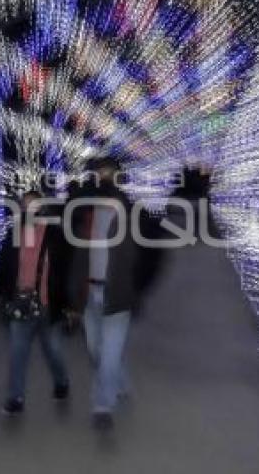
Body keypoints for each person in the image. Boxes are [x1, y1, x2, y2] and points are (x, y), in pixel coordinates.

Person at [67, 157, 146, 429]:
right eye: (100, 173)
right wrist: (72, 298)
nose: (103, 177)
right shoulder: (84, 222)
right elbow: (75, 261)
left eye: (108, 173)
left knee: (109, 353)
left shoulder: (130, 217)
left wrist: (137, 290)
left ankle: (102, 405)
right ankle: (119, 381)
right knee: (95, 350)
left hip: (117, 295)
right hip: (89, 293)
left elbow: (144, 259)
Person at [0, 191, 71, 415]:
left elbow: (64, 272)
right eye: (26, 206)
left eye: (34, 206)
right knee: (18, 352)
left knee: (53, 349)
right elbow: (2, 269)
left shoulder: (56, 235)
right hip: (21, 303)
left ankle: (62, 380)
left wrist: (69, 304)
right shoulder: (14, 234)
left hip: (47, 304)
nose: (30, 210)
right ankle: (15, 398)